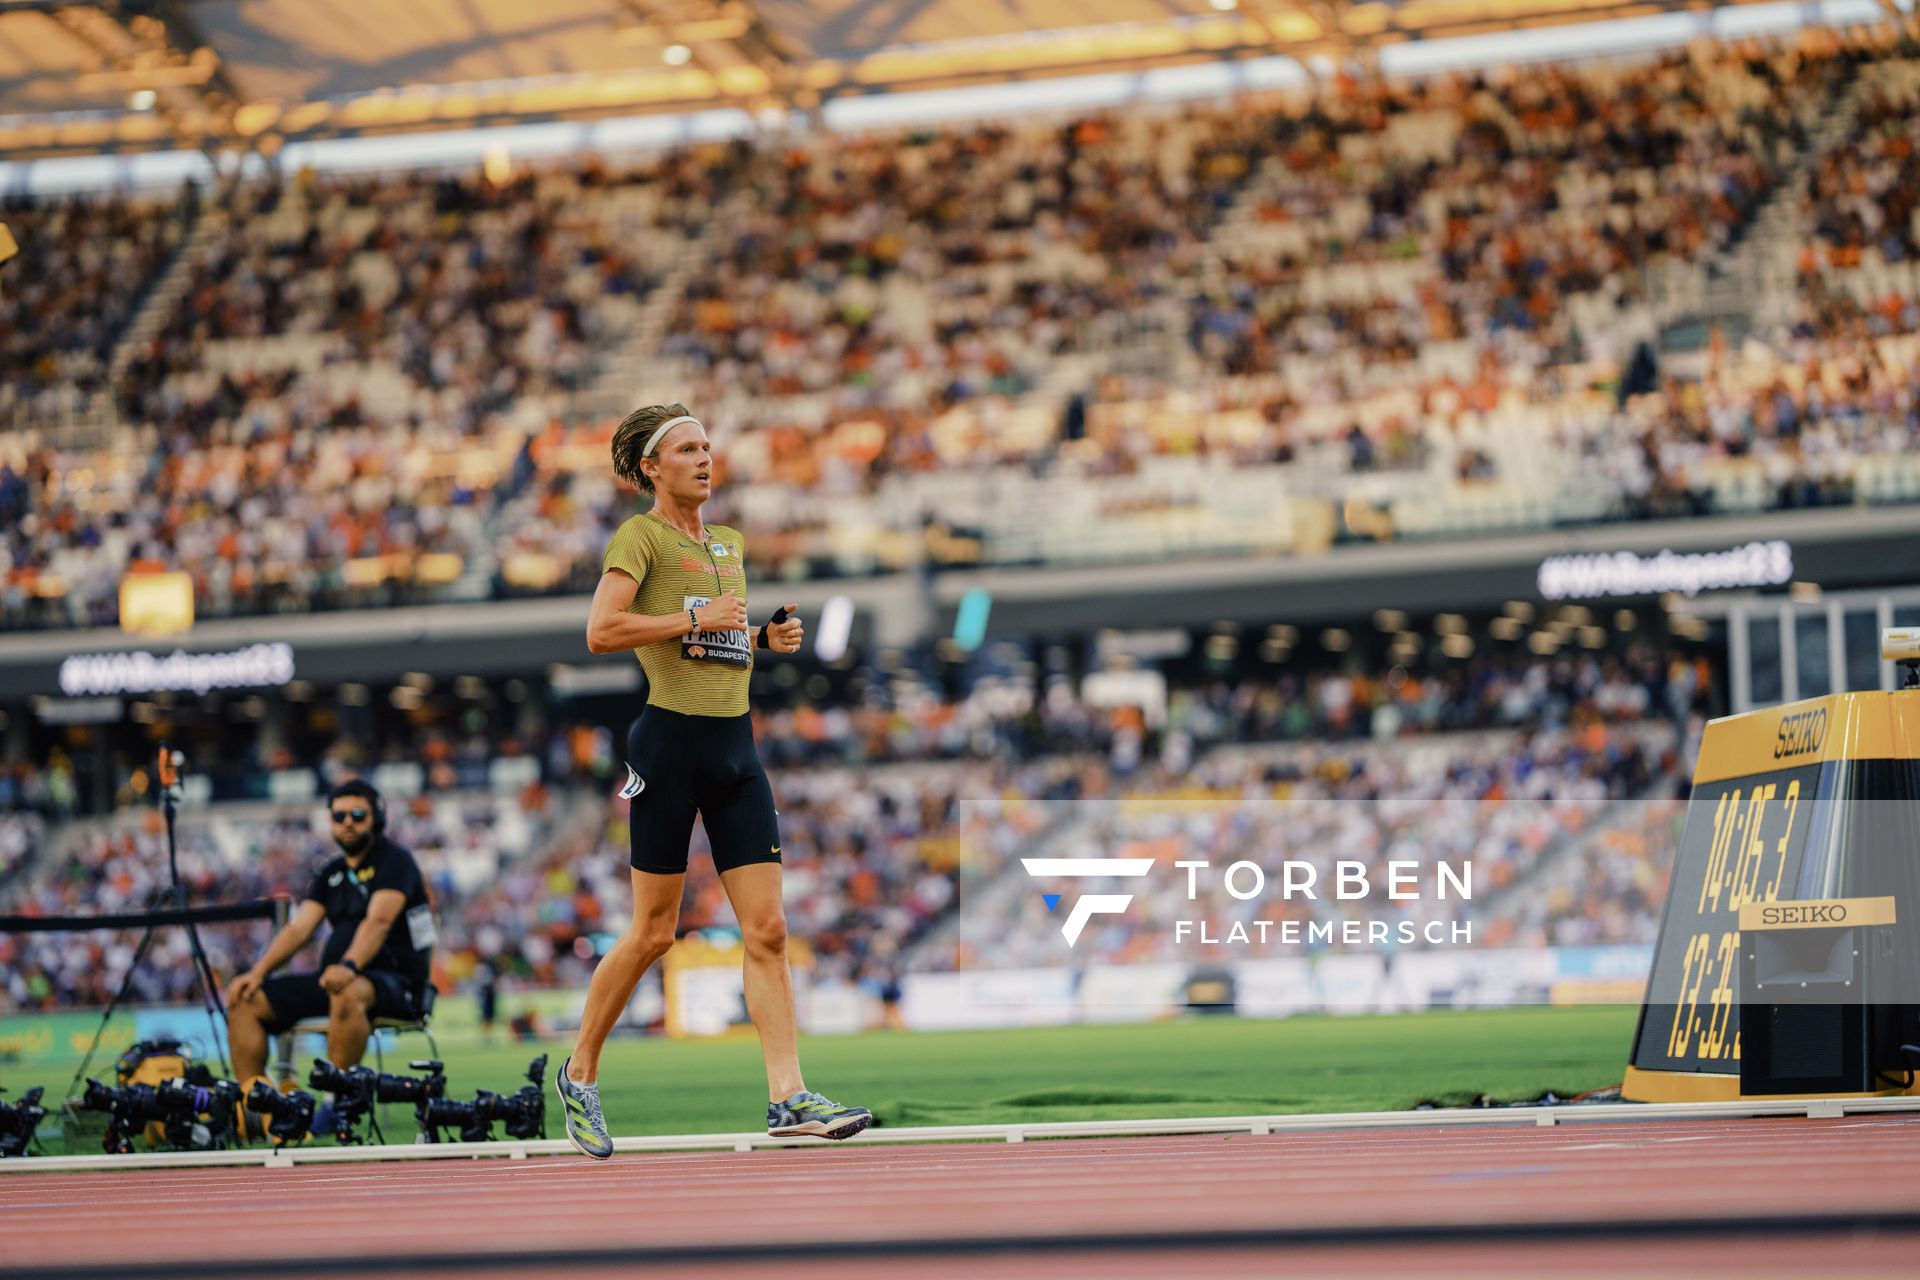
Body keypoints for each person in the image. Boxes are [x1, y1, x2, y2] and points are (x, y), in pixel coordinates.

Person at [554, 402, 871, 1160]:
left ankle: (789, 1098)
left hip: (737, 750)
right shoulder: (640, 537)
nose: (705, 457)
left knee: (768, 930)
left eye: (707, 445)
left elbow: (719, 635)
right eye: (687, 448)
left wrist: (761, 635)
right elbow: (601, 632)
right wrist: (696, 622)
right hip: (667, 746)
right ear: (651, 469)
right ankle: (579, 1073)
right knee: (655, 932)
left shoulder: (727, 543)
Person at [223, 780, 436, 1081]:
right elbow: (299, 929)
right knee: (245, 1000)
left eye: (358, 815)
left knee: (346, 990)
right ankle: (257, 1106)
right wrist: (257, 974)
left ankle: (337, 1102)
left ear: (377, 818)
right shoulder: (330, 872)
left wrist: (349, 965)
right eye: (339, 816)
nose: (348, 823)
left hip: (398, 984)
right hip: (335, 982)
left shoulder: (396, 861)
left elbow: (379, 921)